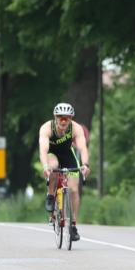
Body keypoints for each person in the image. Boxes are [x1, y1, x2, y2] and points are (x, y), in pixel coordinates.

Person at [38, 102, 90, 242]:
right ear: (55, 117)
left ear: (70, 119)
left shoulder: (76, 128)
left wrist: (85, 165)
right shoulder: (47, 128)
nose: (63, 121)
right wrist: (45, 166)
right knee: (53, 166)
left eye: (66, 118)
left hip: (67, 155)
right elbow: (43, 149)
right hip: (52, 154)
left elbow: (82, 148)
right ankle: (50, 195)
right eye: (60, 117)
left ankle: (73, 225)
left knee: (73, 190)